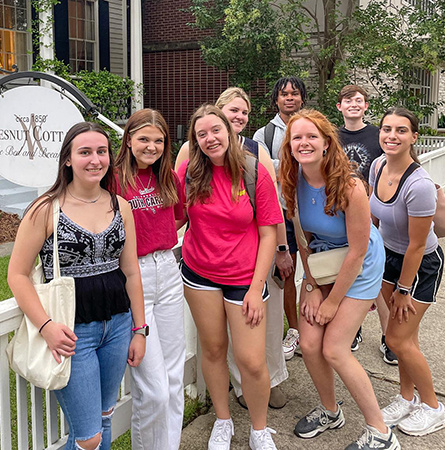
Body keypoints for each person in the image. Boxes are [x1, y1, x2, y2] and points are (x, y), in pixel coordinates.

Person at [8, 122, 146, 450]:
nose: (94, 159)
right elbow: (16, 274)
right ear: (68, 159)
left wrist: (139, 329)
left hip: (117, 327)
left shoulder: (120, 206)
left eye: (101, 152)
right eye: (84, 152)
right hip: (71, 334)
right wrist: (46, 327)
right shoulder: (45, 209)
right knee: (88, 438)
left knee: (105, 415)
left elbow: (131, 271)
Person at [279, 109, 400, 449]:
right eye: (296, 138)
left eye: (311, 136)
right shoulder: (290, 180)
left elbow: (358, 252)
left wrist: (333, 301)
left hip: (359, 266)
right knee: (308, 343)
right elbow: (302, 240)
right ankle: (331, 411)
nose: (303, 143)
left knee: (334, 348)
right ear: (289, 146)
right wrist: (313, 287)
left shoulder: (350, 187)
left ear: (327, 143)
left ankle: (381, 433)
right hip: (321, 264)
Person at [175, 87, 292, 409]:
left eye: (216, 130)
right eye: (202, 134)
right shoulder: (188, 171)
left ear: (228, 131)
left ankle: (259, 429)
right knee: (212, 351)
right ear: (194, 140)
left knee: (252, 360)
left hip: (244, 277)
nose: (210, 138)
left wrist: (257, 288)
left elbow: (268, 231)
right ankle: (223, 421)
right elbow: (172, 218)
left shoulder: (254, 170)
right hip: (199, 274)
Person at [370, 107, 445, 436]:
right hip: (389, 257)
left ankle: (432, 406)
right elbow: (375, 219)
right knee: (404, 338)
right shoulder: (376, 166)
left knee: (397, 338)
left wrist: (403, 290)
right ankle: (406, 397)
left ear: (414, 137)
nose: (391, 135)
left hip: (421, 265)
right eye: (386, 129)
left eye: (401, 130)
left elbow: (417, 245)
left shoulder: (419, 185)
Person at [115, 109, 186, 450]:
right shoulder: (112, 179)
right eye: (144, 139)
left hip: (168, 270)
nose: (152, 146)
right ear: (128, 140)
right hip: (134, 275)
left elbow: (179, 216)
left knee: (173, 378)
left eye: (159, 141)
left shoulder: (167, 177)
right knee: (153, 388)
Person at [336, 84, 395, 364]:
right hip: (340, 217)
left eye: (359, 100)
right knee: (348, 274)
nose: (354, 104)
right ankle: (354, 330)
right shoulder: (332, 136)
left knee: (381, 282)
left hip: (373, 214)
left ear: (366, 105)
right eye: (348, 100)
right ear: (340, 107)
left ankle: (389, 338)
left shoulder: (376, 135)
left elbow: (387, 170)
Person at [253, 76, 307, 360]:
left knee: (316, 271)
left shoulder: (311, 126)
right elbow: (264, 168)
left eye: (294, 94)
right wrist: (298, 162)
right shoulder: (266, 134)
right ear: (276, 99)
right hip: (281, 213)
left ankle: (317, 328)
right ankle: (294, 330)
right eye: (284, 94)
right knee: (285, 275)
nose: (289, 98)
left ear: (302, 98)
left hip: (311, 211)